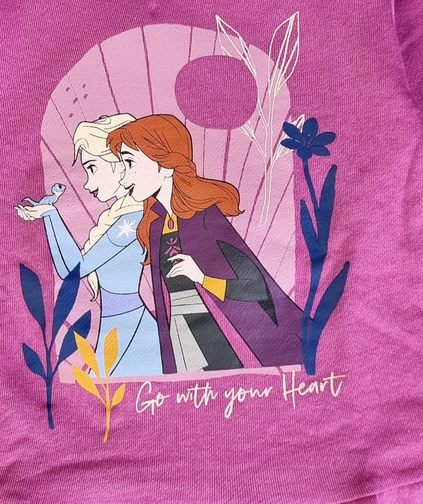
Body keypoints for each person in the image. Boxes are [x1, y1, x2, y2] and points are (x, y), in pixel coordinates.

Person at [106, 113, 305, 374]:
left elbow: (257, 287)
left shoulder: (205, 218)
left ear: (165, 165)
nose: (123, 178)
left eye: (130, 163)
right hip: (179, 335)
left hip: (221, 335)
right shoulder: (155, 225)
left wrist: (202, 277)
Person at [15, 114, 162, 378]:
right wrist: (49, 216)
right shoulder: (119, 218)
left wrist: (51, 215)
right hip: (117, 330)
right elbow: (68, 270)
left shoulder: (131, 221)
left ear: (120, 165)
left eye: (92, 168)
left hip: (134, 333)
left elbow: (74, 269)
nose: (86, 182)